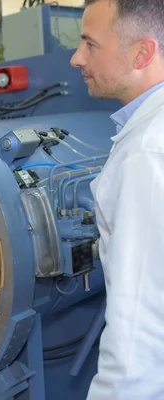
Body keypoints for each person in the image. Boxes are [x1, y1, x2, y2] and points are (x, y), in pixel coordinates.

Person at [70, 0, 164, 398]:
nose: (77, 59)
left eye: (91, 44)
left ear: (142, 52)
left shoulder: (145, 152)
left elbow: (137, 334)